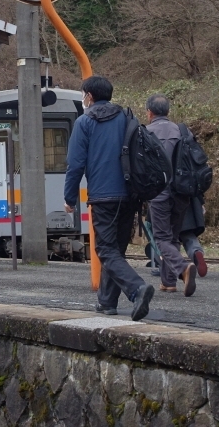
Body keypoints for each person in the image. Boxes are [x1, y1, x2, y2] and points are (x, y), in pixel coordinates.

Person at [64, 75, 154, 321]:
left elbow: (75, 164)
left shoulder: (85, 122)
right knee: (116, 250)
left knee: (105, 249)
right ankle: (107, 302)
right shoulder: (127, 118)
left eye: (84, 94)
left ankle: (137, 289)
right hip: (130, 194)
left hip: (103, 196)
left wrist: (69, 198)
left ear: (89, 96)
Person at [145, 95, 197, 296]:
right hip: (182, 192)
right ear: (168, 111)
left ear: (149, 112)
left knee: (161, 238)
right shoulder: (182, 131)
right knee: (173, 237)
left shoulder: (146, 132)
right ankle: (168, 282)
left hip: (159, 193)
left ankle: (183, 267)